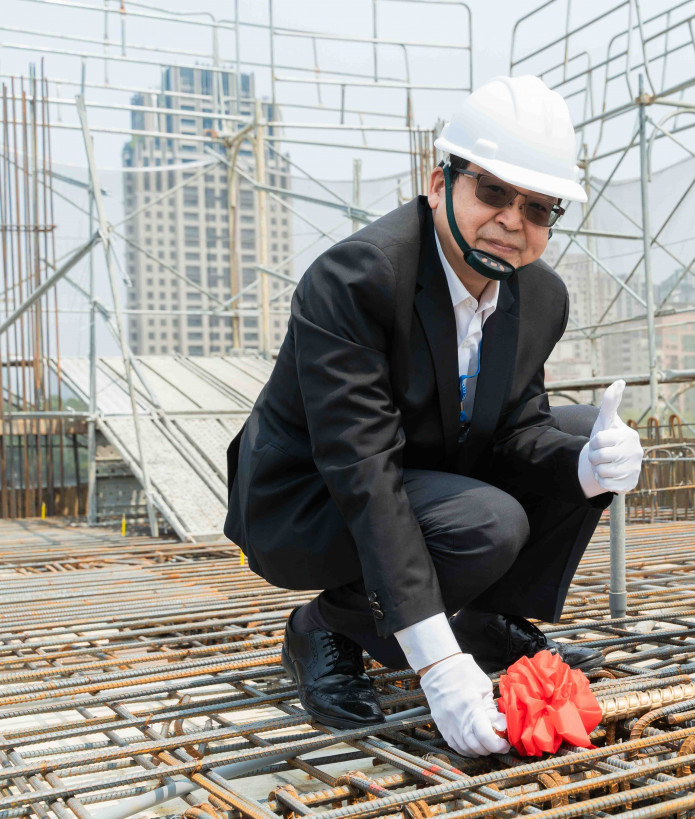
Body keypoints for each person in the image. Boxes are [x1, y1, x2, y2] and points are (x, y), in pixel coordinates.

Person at [223, 75, 644, 758]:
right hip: (309, 500)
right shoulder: (358, 278)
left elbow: (517, 428)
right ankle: (326, 625)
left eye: (537, 207)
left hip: (421, 477)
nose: (512, 219)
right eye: (492, 191)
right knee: (488, 522)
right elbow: (365, 476)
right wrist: (438, 667)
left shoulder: (538, 297)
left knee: (574, 439)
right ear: (438, 180)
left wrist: (586, 466)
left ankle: (482, 614)